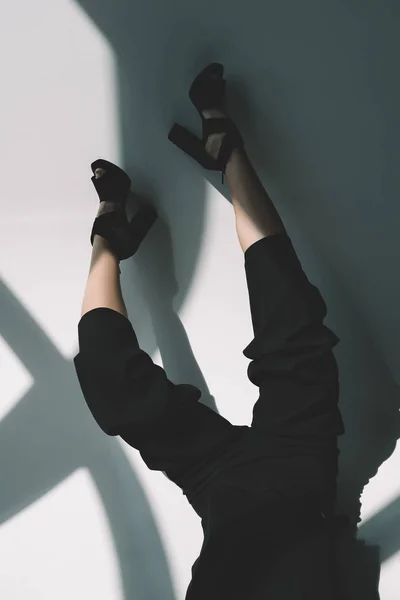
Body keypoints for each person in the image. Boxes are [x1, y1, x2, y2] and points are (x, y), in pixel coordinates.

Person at [73, 63, 347, 599]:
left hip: (216, 482)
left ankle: (109, 234)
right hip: (303, 460)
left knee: (108, 378)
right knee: (290, 312)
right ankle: (227, 150)